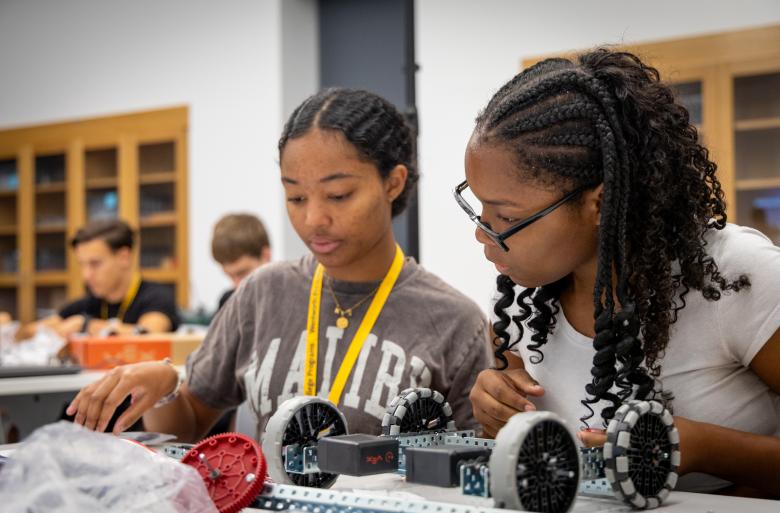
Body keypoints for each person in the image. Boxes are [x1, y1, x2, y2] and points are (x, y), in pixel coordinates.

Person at [67, 88, 491, 441]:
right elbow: (189, 425)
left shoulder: (453, 321)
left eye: (339, 195)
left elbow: (475, 469)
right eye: (296, 197)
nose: (313, 219)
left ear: (392, 182)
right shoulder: (261, 293)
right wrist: (164, 390)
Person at [461, 49, 780, 498]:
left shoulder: (734, 277)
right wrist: (496, 408)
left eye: (504, 216)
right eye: (478, 207)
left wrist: (708, 449)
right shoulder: (521, 299)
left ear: (599, 203)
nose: (482, 234)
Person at [15, 219, 179, 340]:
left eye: (95, 264)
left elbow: (149, 335)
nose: (86, 275)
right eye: (82, 265)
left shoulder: (156, 297)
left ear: (124, 257)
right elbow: (29, 332)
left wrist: (85, 326)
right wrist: (12, 329)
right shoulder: (88, 303)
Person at [211, 213, 271, 310]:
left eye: (243, 273)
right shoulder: (227, 302)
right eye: (230, 276)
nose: (237, 286)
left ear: (265, 256)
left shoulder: (292, 298)